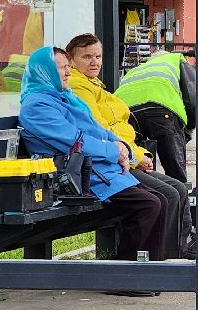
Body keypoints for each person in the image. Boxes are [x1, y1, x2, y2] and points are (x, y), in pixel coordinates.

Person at [17, 46, 168, 266]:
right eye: (61, 67)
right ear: (44, 71)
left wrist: (123, 147)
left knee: (160, 200)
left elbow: (96, 130)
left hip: (98, 170)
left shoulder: (65, 98)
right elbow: (75, 141)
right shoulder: (36, 106)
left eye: (68, 66)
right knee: (148, 205)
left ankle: (151, 270)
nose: (68, 72)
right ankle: (127, 274)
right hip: (73, 178)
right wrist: (114, 151)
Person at [64, 34, 193, 260]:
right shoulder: (79, 88)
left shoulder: (96, 87)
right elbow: (100, 131)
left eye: (98, 56)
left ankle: (172, 257)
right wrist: (134, 157)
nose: (94, 62)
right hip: (105, 165)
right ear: (71, 61)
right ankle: (160, 259)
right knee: (168, 194)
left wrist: (139, 154)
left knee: (177, 189)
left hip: (121, 158)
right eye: (86, 57)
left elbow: (117, 128)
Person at [117, 49, 197, 186]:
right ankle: (179, 201)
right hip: (160, 107)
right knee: (175, 171)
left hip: (127, 112)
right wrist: (188, 128)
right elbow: (191, 96)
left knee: (139, 164)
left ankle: (148, 195)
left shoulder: (137, 69)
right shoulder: (175, 58)